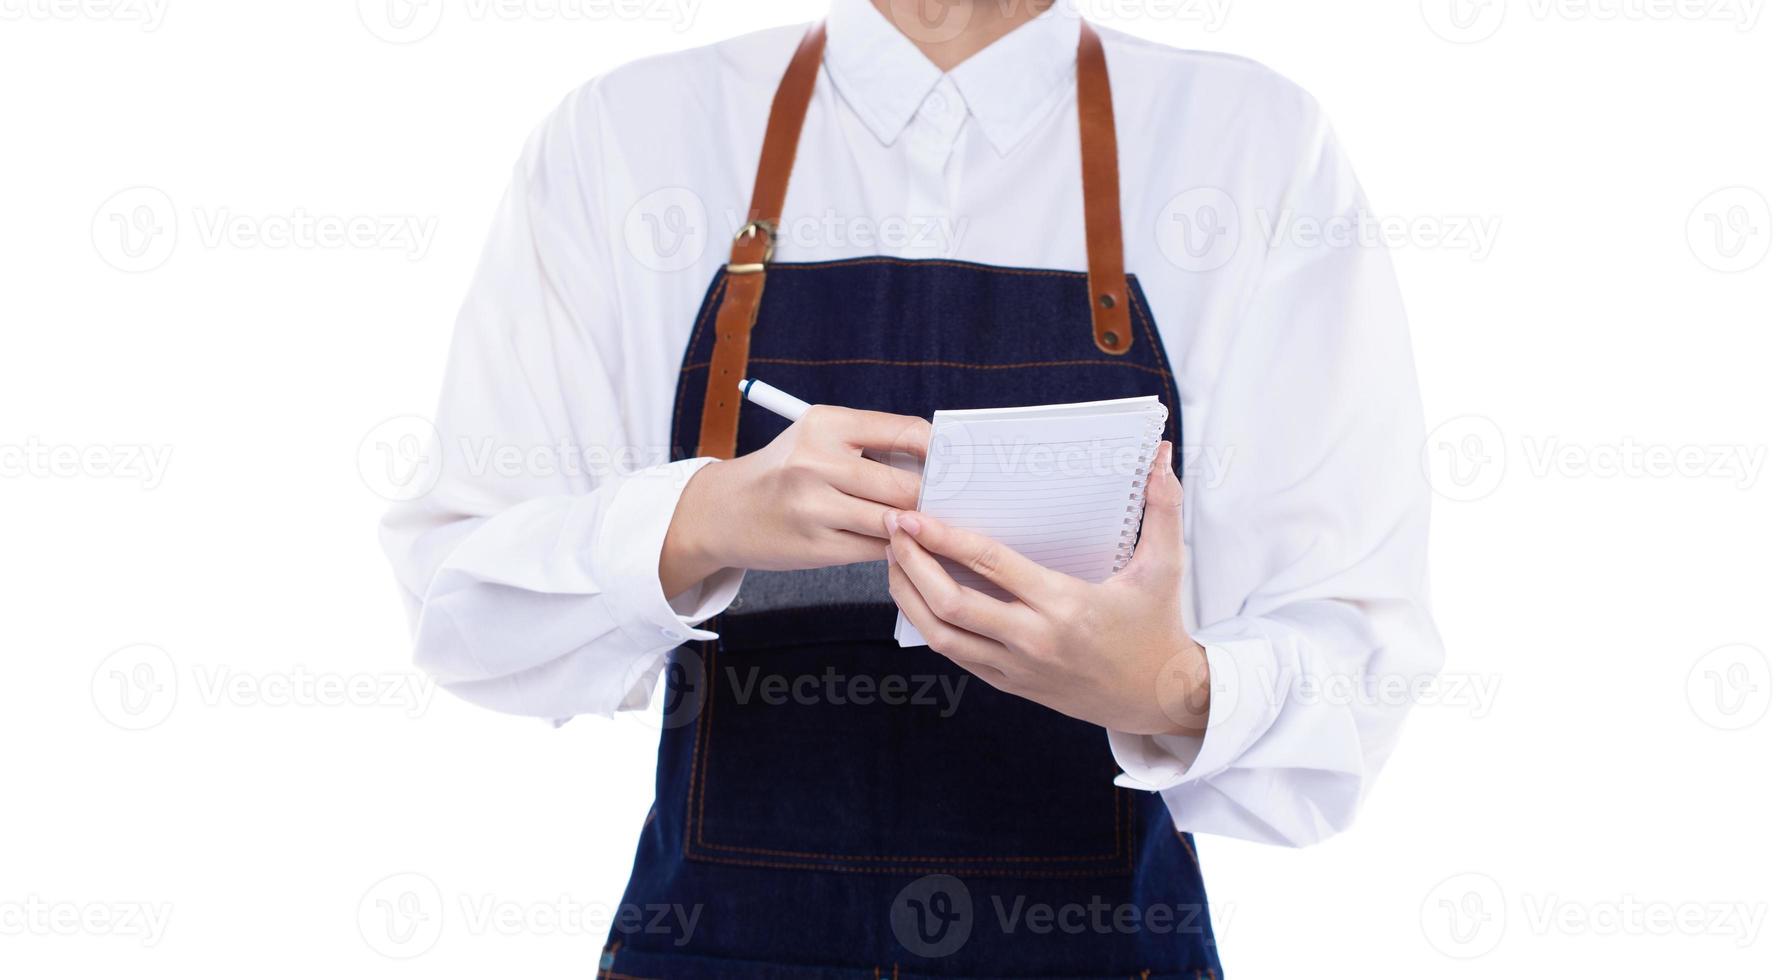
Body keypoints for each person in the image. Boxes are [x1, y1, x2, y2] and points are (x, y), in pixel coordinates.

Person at [380, 1, 1444, 975]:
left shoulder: (1254, 148)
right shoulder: (624, 140)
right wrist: (699, 520)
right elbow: (460, 604)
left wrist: (1162, 685)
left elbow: (1360, 676)